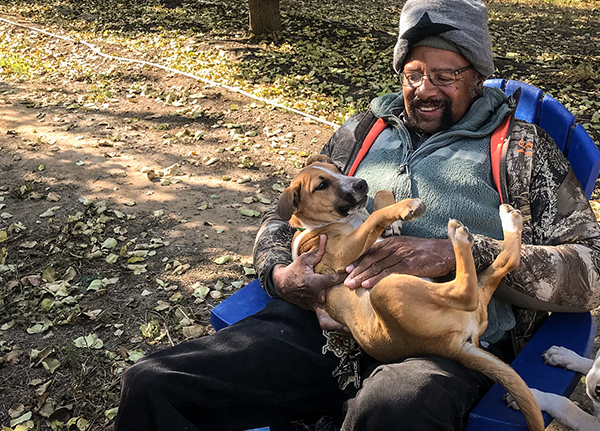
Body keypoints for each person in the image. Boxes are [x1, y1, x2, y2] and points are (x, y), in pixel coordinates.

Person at [113, 0, 600, 429]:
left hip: (437, 344)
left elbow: (592, 268)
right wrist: (280, 274)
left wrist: (460, 253)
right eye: (413, 73)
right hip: (321, 328)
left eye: (445, 75)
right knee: (153, 382)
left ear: (476, 76)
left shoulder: (523, 150)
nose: (425, 89)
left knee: (396, 407)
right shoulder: (361, 132)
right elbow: (282, 216)